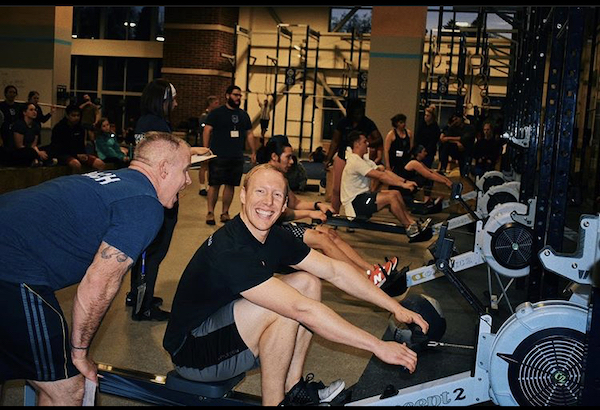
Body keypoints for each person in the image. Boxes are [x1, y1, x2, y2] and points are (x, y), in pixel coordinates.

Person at [162, 163, 429, 406]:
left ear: (284, 204)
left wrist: (394, 306)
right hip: (193, 354)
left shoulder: (274, 235)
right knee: (286, 308)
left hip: (225, 329)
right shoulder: (230, 249)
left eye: (277, 195)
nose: (268, 202)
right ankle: (276, 403)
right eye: (260, 192)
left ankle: (294, 388)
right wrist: (377, 346)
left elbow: (334, 271)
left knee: (308, 282)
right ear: (243, 196)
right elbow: (302, 310)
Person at [0, 132, 192, 406]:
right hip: (10, 267)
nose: (188, 180)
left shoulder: (112, 181)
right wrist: (78, 354)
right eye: (185, 170)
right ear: (163, 169)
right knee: (66, 388)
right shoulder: (145, 203)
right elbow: (97, 286)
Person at [257, 137, 401, 290]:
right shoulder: (267, 178)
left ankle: (371, 270)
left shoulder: (280, 177)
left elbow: (295, 203)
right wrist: (310, 214)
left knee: (330, 233)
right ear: (274, 157)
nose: (292, 161)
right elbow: (279, 213)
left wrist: (317, 204)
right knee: (322, 239)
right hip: (270, 233)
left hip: (281, 227)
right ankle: (366, 278)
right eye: (288, 157)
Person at [126, 79, 180, 322]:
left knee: (144, 250)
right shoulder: (157, 124)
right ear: (163, 101)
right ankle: (143, 305)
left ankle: (135, 294)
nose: (176, 104)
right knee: (153, 252)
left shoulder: (144, 122)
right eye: (173, 100)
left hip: (145, 192)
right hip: (157, 196)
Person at [340, 131, 431, 241]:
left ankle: (412, 223)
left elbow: (385, 172)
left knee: (395, 193)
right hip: (355, 204)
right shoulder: (355, 161)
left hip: (362, 197)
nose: (367, 144)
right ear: (357, 144)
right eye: (364, 142)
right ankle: (409, 228)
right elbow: (380, 177)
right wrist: (403, 185)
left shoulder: (364, 160)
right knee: (391, 197)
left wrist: (405, 182)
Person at [203, 84, 258, 225]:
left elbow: (249, 133)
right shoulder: (216, 113)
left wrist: (253, 151)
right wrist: (205, 150)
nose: (238, 98)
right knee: (214, 184)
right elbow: (207, 130)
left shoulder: (243, 115)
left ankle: (225, 212)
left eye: (240, 95)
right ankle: (210, 212)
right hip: (218, 155)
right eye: (235, 95)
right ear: (227, 96)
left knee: (230, 185)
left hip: (236, 156)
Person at [324, 98, 383, 213]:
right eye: (356, 113)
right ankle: (334, 214)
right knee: (337, 189)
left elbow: (379, 139)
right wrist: (328, 158)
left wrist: (365, 144)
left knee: (358, 189)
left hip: (359, 159)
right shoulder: (343, 123)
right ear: (350, 112)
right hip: (343, 156)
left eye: (360, 112)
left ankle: (353, 214)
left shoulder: (367, 123)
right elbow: (335, 141)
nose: (359, 115)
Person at [50, 104, 105, 172]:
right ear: (67, 116)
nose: (76, 118)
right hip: (63, 154)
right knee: (76, 164)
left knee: (100, 163)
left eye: (78, 115)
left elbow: (81, 145)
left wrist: (83, 155)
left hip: (78, 154)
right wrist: (76, 155)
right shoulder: (59, 128)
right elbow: (58, 147)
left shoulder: (80, 128)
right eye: (73, 115)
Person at [4, 103, 56, 167]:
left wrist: (38, 152)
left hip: (31, 150)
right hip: (18, 151)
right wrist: (37, 153)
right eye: (31, 110)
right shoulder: (19, 125)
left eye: (35, 110)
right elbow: (19, 146)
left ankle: (38, 160)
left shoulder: (35, 126)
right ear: (24, 112)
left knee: (50, 148)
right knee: (30, 152)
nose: (34, 112)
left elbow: (34, 145)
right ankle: (39, 161)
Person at [438, 112, 476, 176]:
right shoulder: (453, 128)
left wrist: (449, 139)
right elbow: (445, 138)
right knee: (444, 145)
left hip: (466, 150)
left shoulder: (469, 128)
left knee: (463, 167)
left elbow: (463, 138)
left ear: (461, 119)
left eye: (457, 119)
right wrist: (456, 142)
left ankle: (464, 174)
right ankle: (443, 167)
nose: (455, 121)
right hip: (456, 150)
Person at [198, 95, 220, 196]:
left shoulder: (215, 116)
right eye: (216, 103)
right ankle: (202, 186)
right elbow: (204, 131)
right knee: (204, 165)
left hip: (213, 144)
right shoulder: (204, 116)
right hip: (204, 144)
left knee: (211, 166)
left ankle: (208, 185)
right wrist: (204, 146)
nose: (218, 105)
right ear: (210, 104)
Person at [414, 105, 440, 169]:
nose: (425, 117)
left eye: (428, 116)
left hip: (429, 152)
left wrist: (426, 151)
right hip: (419, 150)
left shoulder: (435, 128)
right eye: (425, 115)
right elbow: (417, 137)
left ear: (432, 117)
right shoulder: (422, 125)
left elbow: (433, 141)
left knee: (426, 168)